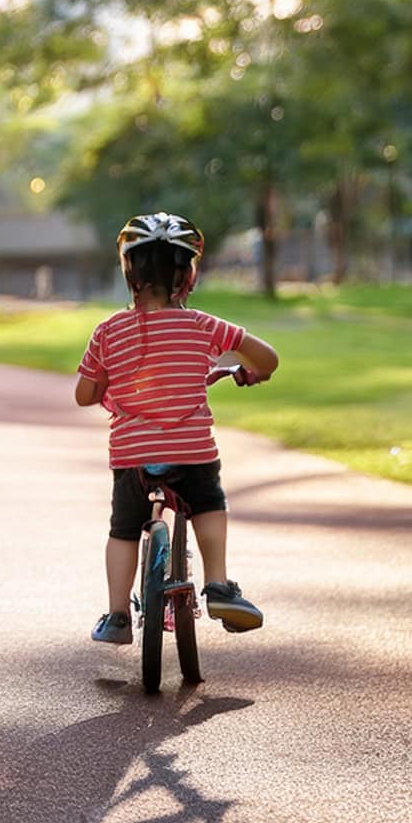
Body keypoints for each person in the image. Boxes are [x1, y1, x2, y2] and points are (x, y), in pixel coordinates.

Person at [73, 211, 279, 645]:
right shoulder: (203, 325)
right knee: (208, 502)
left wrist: (109, 380)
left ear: (129, 272)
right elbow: (268, 359)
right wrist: (248, 371)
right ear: (188, 274)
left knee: (124, 530)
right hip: (193, 453)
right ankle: (219, 584)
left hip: (132, 457)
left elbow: (85, 395)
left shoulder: (108, 332)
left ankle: (116, 615)